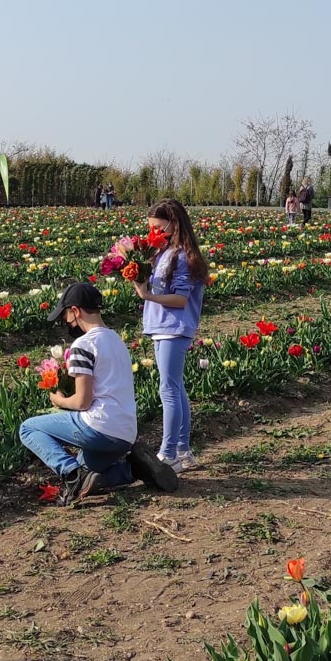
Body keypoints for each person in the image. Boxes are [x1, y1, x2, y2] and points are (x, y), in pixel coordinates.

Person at [19, 281, 177, 505]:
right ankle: (134, 469)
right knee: (89, 473)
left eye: (65, 315)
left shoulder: (83, 345)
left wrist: (60, 400)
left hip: (100, 428)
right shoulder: (116, 340)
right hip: (125, 434)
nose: (66, 322)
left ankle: (72, 477)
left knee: (28, 428)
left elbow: (83, 402)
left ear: (75, 311)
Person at [133, 199, 209, 473]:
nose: (153, 234)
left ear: (174, 224)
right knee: (176, 389)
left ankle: (168, 454)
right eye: (150, 229)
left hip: (173, 329)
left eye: (158, 228)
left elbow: (179, 299)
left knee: (168, 391)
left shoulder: (182, 257)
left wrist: (147, 295)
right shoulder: (165, 253)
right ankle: (183, 451)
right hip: (163, 327)